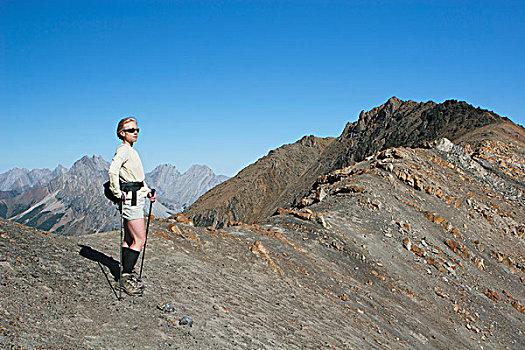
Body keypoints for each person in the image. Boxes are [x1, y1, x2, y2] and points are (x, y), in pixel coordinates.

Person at [108, 117, 156, 295]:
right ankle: (126, 277)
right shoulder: (124, 150)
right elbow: (113, 170)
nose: (135, 132)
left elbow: (137, 178)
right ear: (122, 133)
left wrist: (148, 190)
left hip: (135, 196)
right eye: (131, 130)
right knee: (140, 239)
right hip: (132, 200)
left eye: (137, 130)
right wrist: (116, 192)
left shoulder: (130, 151)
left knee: (129, 239)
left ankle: (124, 271)